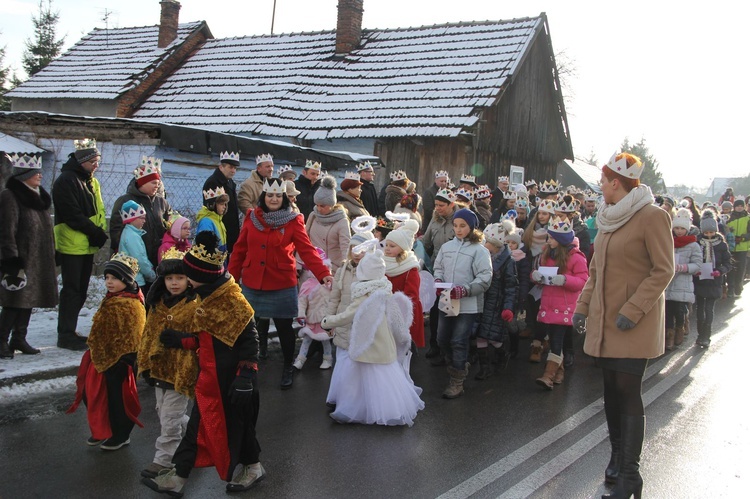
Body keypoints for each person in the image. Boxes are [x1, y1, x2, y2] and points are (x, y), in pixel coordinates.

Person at [572, 152, 674, 499]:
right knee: (611, 391)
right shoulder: (607, 219)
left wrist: (633, 309)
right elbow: (595, 270)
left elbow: (663, 270)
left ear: (616, 182)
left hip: (634, 322)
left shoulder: (652, 216)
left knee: (628, 391)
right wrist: (582, 308)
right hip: (605, 321)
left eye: (602, 180)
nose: (600, 186)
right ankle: (617, 459)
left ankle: (631, 475)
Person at [142, 231, 264, 495]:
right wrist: (183, 341)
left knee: (239, 429)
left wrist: (246, 375)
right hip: (208, 379)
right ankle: (178, 478)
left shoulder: (232, 299)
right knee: (196, 430)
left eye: (188, 275)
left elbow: (249, 339)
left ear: (199, 277)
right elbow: (208, 338)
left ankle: (253, 467)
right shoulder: (205, 297)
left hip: (232, 381)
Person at [228, 178, 333, 389]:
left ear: (283, 198)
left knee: (285, 328)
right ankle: (248, 366)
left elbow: (306, 251)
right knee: (249, 327)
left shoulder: (294, 220)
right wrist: (230, 279)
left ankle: (287, 366)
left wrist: (323, 273)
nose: (273, 199)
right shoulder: (251, 217)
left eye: (278, 195)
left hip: (281, 282)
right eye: (270, 195)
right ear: (263, 196)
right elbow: (239, 249)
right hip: (252, 281)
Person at [321, 249, 425, 426]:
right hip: (384, 344)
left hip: (366, 342)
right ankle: (392, 409)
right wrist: (404, 337)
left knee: (360, 379)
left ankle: (355, 409)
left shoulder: (363, 293)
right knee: (384, 379)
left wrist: (327, 321)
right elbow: (397, 318)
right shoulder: (386, 289)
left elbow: (348, 315)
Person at [67, 253, 146, 451]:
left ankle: (120, 434)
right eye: (107, 278)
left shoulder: (132, 304)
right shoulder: (112, 298)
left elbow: (135, 335)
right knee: (94, 395)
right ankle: (103, 429)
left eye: (115, 278)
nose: (109, 282)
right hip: (101, 356)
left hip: (120, 361)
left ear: (126, 280)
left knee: (118, 401)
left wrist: (126, 359)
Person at [137, 248, 199, 479]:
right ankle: (195, 432)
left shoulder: (195, 304)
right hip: (159, 369)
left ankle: (163, 460)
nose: (174, 283)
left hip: (181, 370)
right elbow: (148, 334)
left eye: (180, 278)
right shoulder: (156, 304)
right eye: (170, 278)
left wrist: (185, 341)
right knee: (164, 413)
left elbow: (204, 338)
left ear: (188, 279)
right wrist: (144, 364)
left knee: (170, 418)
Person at [52, 138, 109, 351]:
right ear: (82, 160)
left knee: (81, 289)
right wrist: (93, 231)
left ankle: (71, 329)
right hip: (72, 242)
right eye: (93, 161)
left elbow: (98, 209)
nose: (96, 165)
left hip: (86, 242)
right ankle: (65, 334)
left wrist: (97, 231)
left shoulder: (90, 180)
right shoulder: (66, 180)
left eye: (98, 160)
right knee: (72, 289)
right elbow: (72, 214)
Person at [0, 154, 58, 359]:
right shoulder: (10, 196)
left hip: (38, 258)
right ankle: (1, 340)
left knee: (28, 300)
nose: (40, 176)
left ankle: (19, 338)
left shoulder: (38, 196)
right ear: (24, 175)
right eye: (36, 173)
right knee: (14, 300)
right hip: (21, 258)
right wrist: (12, 261)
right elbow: (7, 230)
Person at [432, 208, 492, 399]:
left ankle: (457, 380)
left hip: (467, 305)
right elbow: (438, 267)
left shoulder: (479, 251)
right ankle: (457, 365)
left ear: (472, 227)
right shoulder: (446, 247)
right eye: (456, 225)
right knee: (442, 338)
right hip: (447, 301)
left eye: (463, 226)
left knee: (459, 340)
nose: (458, 229)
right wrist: (438, 281)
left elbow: (485, 277)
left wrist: (465, 289)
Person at [531, 217, 588, 389]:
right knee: (556, 339)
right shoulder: (547, 254)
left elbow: (583, 280)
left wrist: (564, 279)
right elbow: (542, 275)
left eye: (552, 238)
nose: (549, 241)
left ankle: (548, 375)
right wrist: (536, 276)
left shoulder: (577, 258)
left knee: (556, 339)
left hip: (564, 306)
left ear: (562, 240)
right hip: (549, 304)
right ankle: (559, 372)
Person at [325, 216, 376, 408]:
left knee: (359, 363)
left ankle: (357, 400)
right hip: (344, 324)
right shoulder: (342, 270)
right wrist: (330, 321)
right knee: (343, 362)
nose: (357, 254)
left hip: (363, 324)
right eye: (354, 249)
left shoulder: (373, 272)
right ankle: (340, 397)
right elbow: (334, 298)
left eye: (362, 250)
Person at [110, 156, 172, 268]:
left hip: (158, 256)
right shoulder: (125, 201)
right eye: (154, 182)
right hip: (133, 257)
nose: (157, 186)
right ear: (142, 183)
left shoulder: (162, 202)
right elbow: (116, 229)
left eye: (158, 183)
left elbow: (170, 224)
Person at [474, 221, 518, 379]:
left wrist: (508, 307)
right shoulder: (483, 256)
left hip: (496, 303)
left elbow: (511, 287)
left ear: (497, 245)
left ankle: (502, 353)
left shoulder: (508, 262)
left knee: (491, 336)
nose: (484, 244)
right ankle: (484, 367)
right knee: (481, 334)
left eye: (488, 242)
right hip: (482, 300)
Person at [422, 189, 457, 358]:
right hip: (437, 271)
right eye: (436, 205)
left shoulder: (460, 221)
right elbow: (426, 242)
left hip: (455, 273)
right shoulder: (434, 221)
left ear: (452, 205)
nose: (437, 208)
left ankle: (449, 349)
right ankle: (435, 345)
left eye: (441, 205)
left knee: (450, 311)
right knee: (435, 311)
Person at [383, 219, 424, 352]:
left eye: (392, 246)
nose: (387, 248)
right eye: (386, 245)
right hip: (386, 310)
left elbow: (412, 295)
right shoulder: (383, 263)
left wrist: (397, 306)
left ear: (402, 248)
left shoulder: (410, 268)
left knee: (404, 348)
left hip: (405, 312)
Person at [523, 199, 557, 363]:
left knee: (544, 311)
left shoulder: (553, 234)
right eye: (540, 213)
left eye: (545, 214)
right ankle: (539, 337)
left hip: (548, 276)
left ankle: (539, 342)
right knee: (534, 308)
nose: (542, 216)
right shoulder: (530, 232)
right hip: (532, 274)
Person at [693, 211, 731, 349]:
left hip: (714, 281)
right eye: (706, 232)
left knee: (709, 310)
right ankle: (699, 335)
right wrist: (695, 270)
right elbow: (693, 260)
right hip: (700, 281)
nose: (709, 235)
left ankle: (706, 336)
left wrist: (719, 271)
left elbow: (728, 263)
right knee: (700, 310)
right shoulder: (697, 243)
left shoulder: (721, 244)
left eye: (711, 232)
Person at [664, 208, 701, 350]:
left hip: (682, 283)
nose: (679, 231)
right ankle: (669, 335)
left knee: (679, 310)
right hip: (668, 282)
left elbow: (697, 265)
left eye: (682, 228)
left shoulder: (693, 245)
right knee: (667, 311)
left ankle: (680, 329)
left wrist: (683, 267)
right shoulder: (669, 242)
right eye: (677, 228)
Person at [293, 249, 334, 371]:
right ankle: (300, 359)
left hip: (326, 319)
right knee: (306, 339)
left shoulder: (330, 283)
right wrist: (301, 314)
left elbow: (335, 299)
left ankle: (327, 359)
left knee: (326, 341)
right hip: (312, 318)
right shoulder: (307, 284)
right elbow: (302, 301)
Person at [305, 175, 351, 273]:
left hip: (333, 269)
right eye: (317, 205)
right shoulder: (313, 215)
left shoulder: (342, 221)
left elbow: (345, 245)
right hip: (312, 267)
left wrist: (345, 266)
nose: (319, 208)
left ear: (332, 204)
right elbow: (304, 240)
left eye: (322, 205)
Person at [203, 152, 240, 252]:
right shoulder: (213, 182)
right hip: (219, 227)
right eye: (230, 167)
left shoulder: (230, 182)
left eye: (235, 168)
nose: (233, 170)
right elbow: (211, 208)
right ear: (221, 167)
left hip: (230, 228)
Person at [117, 200, 157, 292]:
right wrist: (151, 275)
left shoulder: (130, 233)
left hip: (131, 278)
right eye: (141, 218)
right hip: (135, 279)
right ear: (132, 218)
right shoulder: (132, 236)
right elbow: (140, 258)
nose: (144, 221)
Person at [726, 198, 749, 298]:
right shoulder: (729, 218)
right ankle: (730, 289)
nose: (739, 208)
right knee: (730, 269)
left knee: (740, 269)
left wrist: (743, 238)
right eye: (737, 206)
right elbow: (725, 231)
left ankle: (738, 287)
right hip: (731, 247)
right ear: (734, 207)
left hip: (743, 248)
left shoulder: (748, 218)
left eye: (741, 206)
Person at [196, 186, 229, 254]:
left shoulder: (218, 220)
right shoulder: (206, 222)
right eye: (221, 204)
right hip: (212, 259)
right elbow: (205, 247)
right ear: (212, 205)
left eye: (225, 204)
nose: (224, 206)